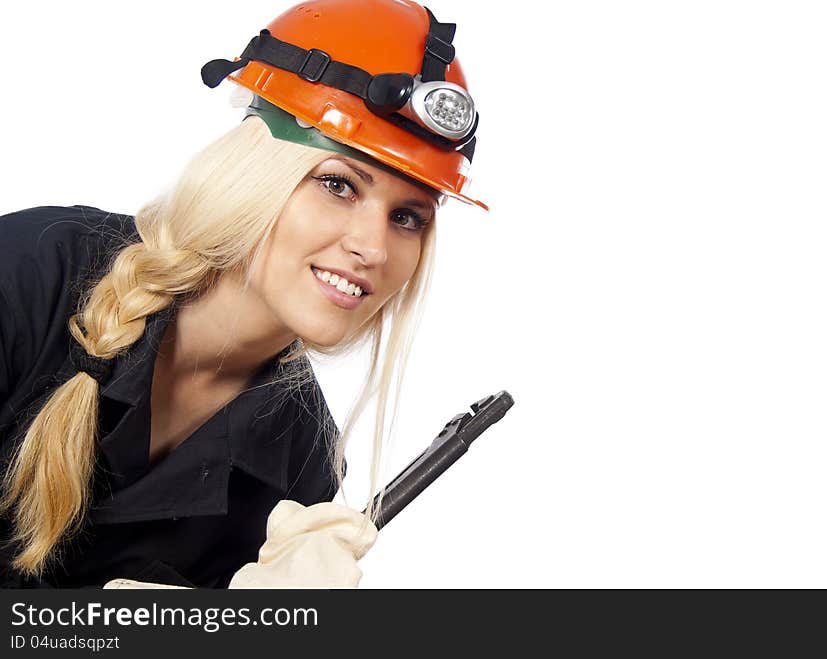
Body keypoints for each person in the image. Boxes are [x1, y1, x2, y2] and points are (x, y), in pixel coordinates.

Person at [0, 0, 485, 588]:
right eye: (337, 185)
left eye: (408, 218)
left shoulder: (300, 462)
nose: (374, 249)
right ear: (255, 171)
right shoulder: (29, 272)